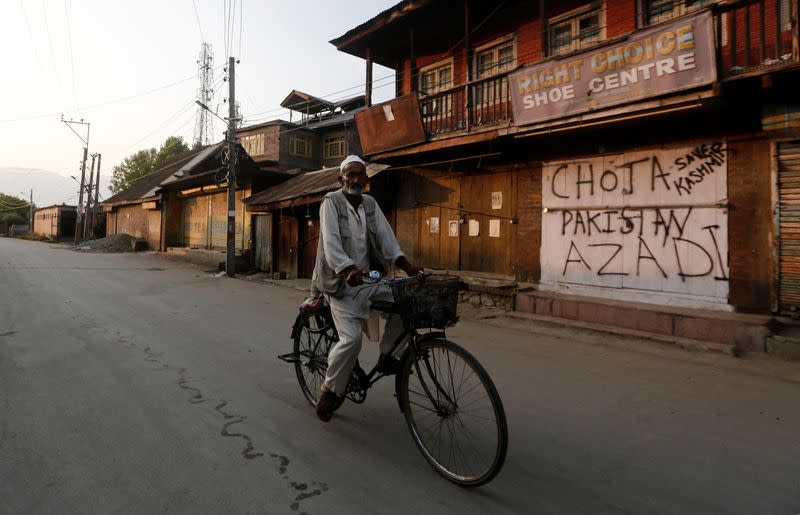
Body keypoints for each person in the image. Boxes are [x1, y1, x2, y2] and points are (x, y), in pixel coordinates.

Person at [310, 155, 422, 422]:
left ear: (366, 180)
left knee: (406, 302)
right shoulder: (331, 202)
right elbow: (331, 245)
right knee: (351, 341)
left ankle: (387, 354)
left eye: (360, 174)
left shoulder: (370, 204)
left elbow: (387, 239)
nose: (356, 179)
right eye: (351, 174)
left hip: (369, 281)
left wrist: (408, 267)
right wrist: (348, 269)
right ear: (341, 179)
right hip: (341, 282)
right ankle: (329, 391)